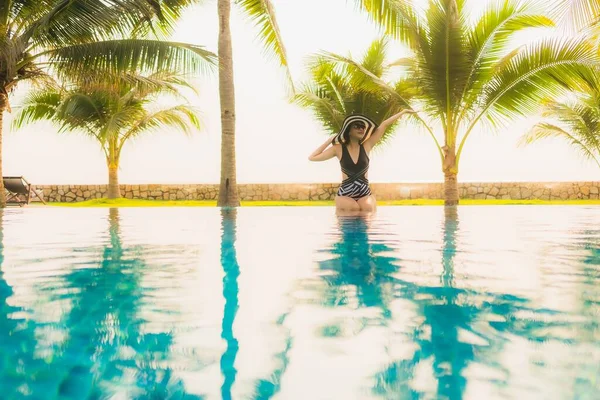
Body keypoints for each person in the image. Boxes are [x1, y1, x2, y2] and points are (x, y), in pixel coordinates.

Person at [308, 110, 415, 212]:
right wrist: (329, 141)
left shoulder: (367, 146)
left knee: (367, 209)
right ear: (349, 131)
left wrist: (403, 112)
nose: (361, 129)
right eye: (357, 126)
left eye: (363, 127)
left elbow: (384, 125)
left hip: (364, 193)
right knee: (353, 208)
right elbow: (312, 157)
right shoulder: (338, 148)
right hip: (345, 194)